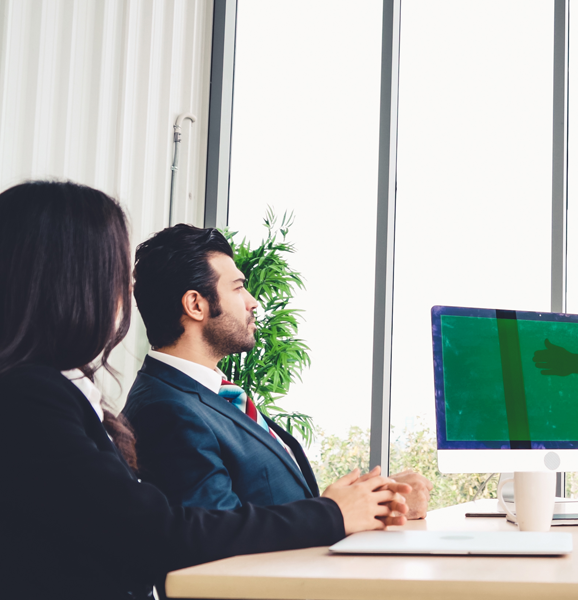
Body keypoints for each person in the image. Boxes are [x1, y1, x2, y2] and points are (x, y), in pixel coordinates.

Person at [0, 181, 406, 600]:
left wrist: (369, 506)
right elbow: (161, 532)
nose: (123, 290)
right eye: (114, 272)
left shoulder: (58, 393)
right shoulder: (31, 398)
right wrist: (333, 514)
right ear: (74, 282)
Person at [122, 224, 432, 516]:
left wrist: (373, 501)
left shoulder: (212, 396)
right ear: (196, 305)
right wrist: (333, 512)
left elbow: (271, 505)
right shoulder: (166, 409)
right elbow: (217, 534)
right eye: (238, 288)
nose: (252, 302)